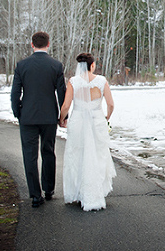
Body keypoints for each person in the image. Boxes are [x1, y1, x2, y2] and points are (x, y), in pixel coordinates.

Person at [10, 31, 66, 208]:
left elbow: (15, 93)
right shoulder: (56, 66)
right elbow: (62, 93)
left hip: (28, 116)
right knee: (48, 151)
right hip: (49, 116)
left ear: (32, 45)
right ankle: (48, 190)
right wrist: (62, 116)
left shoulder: (22, 65)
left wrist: (18, 112)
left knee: (29, 155)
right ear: (48, 44)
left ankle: (35, 195)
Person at [59, 52, 116, 211]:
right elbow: (111, 104)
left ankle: (80, 192)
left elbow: (65, 106)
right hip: (97, 120)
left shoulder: (73, 82)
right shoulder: (101, 81)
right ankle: (97, 191)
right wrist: (106, 117)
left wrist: (61, 119)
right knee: (97, 155)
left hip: (78, 121)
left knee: (78, 154)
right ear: (92, 65)